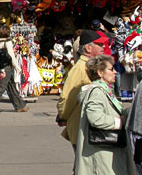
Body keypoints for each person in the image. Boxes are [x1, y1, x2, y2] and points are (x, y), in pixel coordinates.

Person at [57, 29, 108, 169]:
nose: (103, 48)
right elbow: (67, 98)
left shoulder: (91, 66)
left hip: (88, 125)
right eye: (99, 44)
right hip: (81, 125)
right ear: (88, 47)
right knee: (84, 167)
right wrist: (63, 116)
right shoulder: (80, 68)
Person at [75, 55, 135, 174]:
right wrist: (119, 121)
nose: (115, 72)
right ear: (100, 72)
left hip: (107, 149)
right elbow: (96, 118)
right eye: (111, 69)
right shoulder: (97, 91)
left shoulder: (105, 90)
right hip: (101, 151)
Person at [0, 25, 28, 114]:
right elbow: (12, 57)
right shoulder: (8, 42)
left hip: (0, 65)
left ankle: (19, 105)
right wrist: (17, 68)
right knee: (2, 87)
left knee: (11, 86)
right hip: (7, 66)